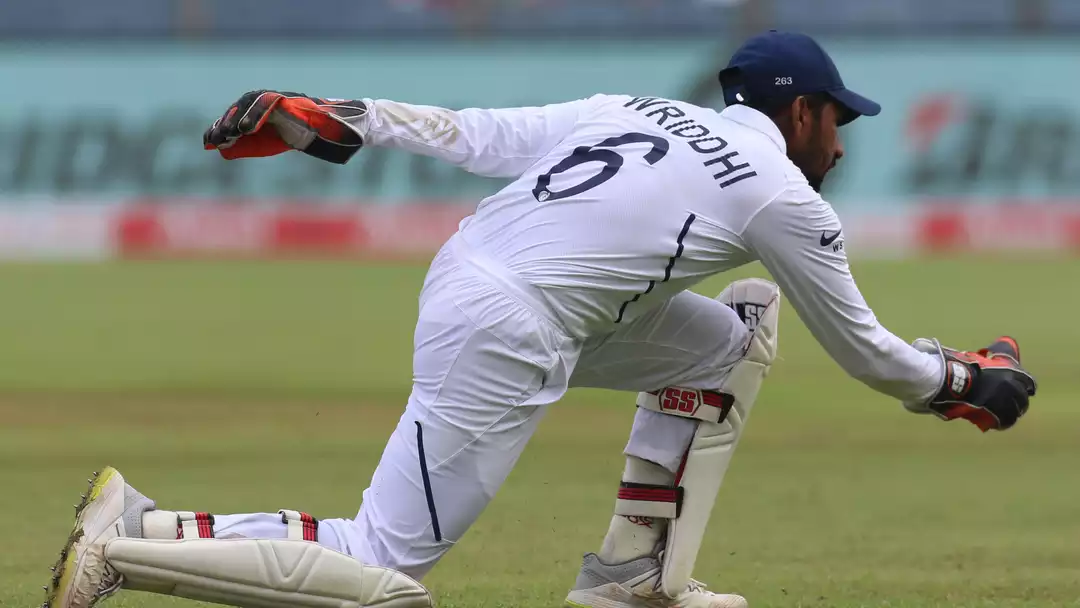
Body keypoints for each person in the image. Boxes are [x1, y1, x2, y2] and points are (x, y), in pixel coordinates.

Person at [44, 30, 1036, 608]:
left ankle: (633, 576)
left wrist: (342, 112)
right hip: (511, 327)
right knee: (385, 564)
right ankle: (131, 536)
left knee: (730, 334)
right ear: (802, 112)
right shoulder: (783, 194)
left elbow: (478, 135)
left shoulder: (639, 107)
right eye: (839, 120)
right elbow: (868, 352)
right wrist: (964, 381)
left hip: (477, 275)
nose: (843, 143)